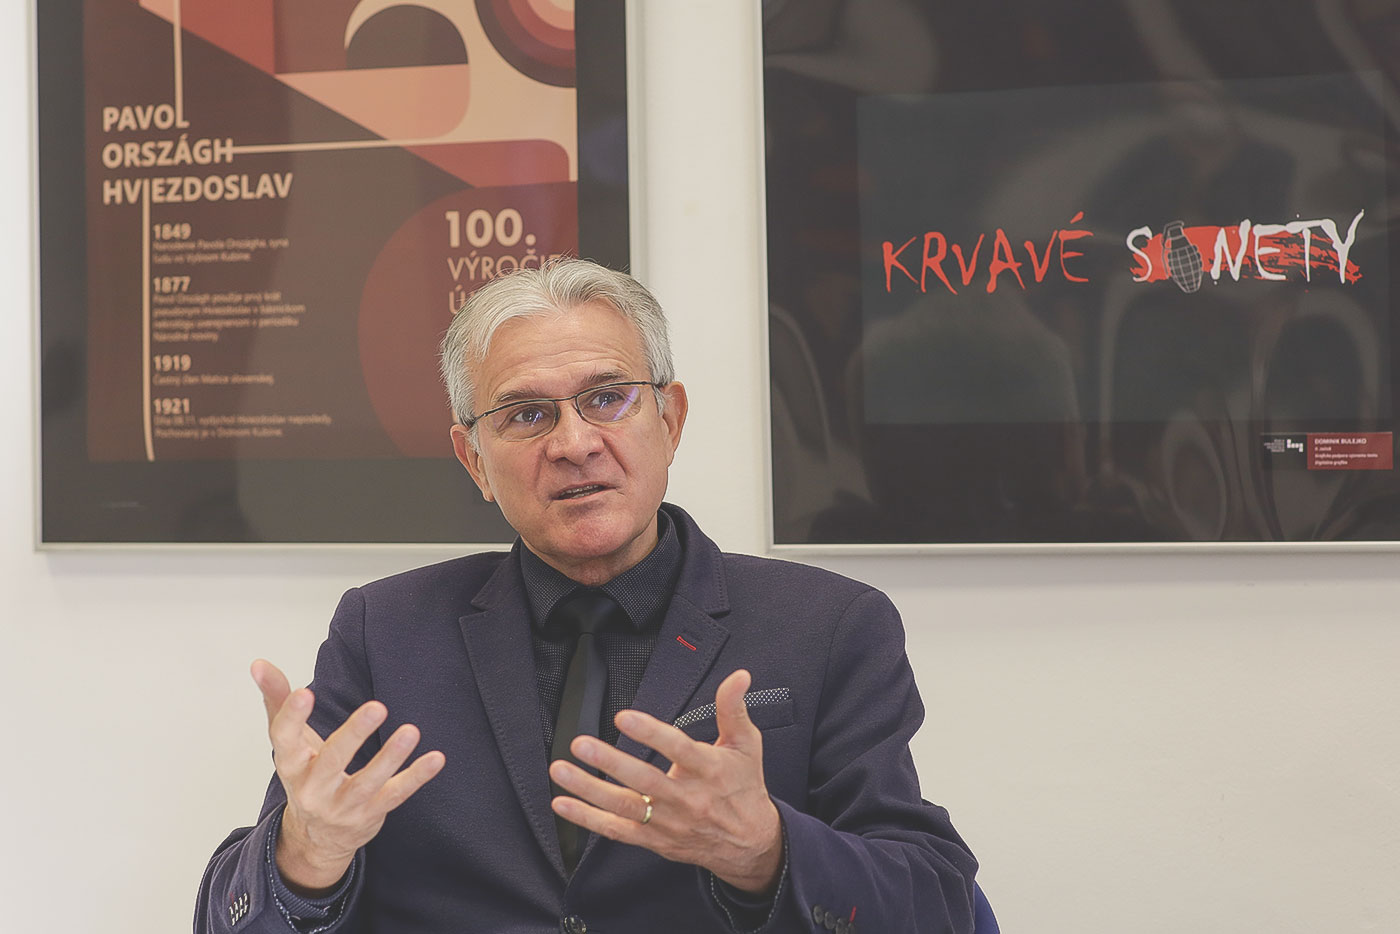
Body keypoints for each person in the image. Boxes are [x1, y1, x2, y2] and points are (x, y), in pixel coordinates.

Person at [195, 259, 978, 933]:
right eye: (526, 414)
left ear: (670, 420)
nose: (573, 444)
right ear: (474, 460)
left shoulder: (829, 624)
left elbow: (937, 905)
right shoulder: (384, 631)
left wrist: (765, 851)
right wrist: (308, 855)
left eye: (607, 398)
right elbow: (229, 917)